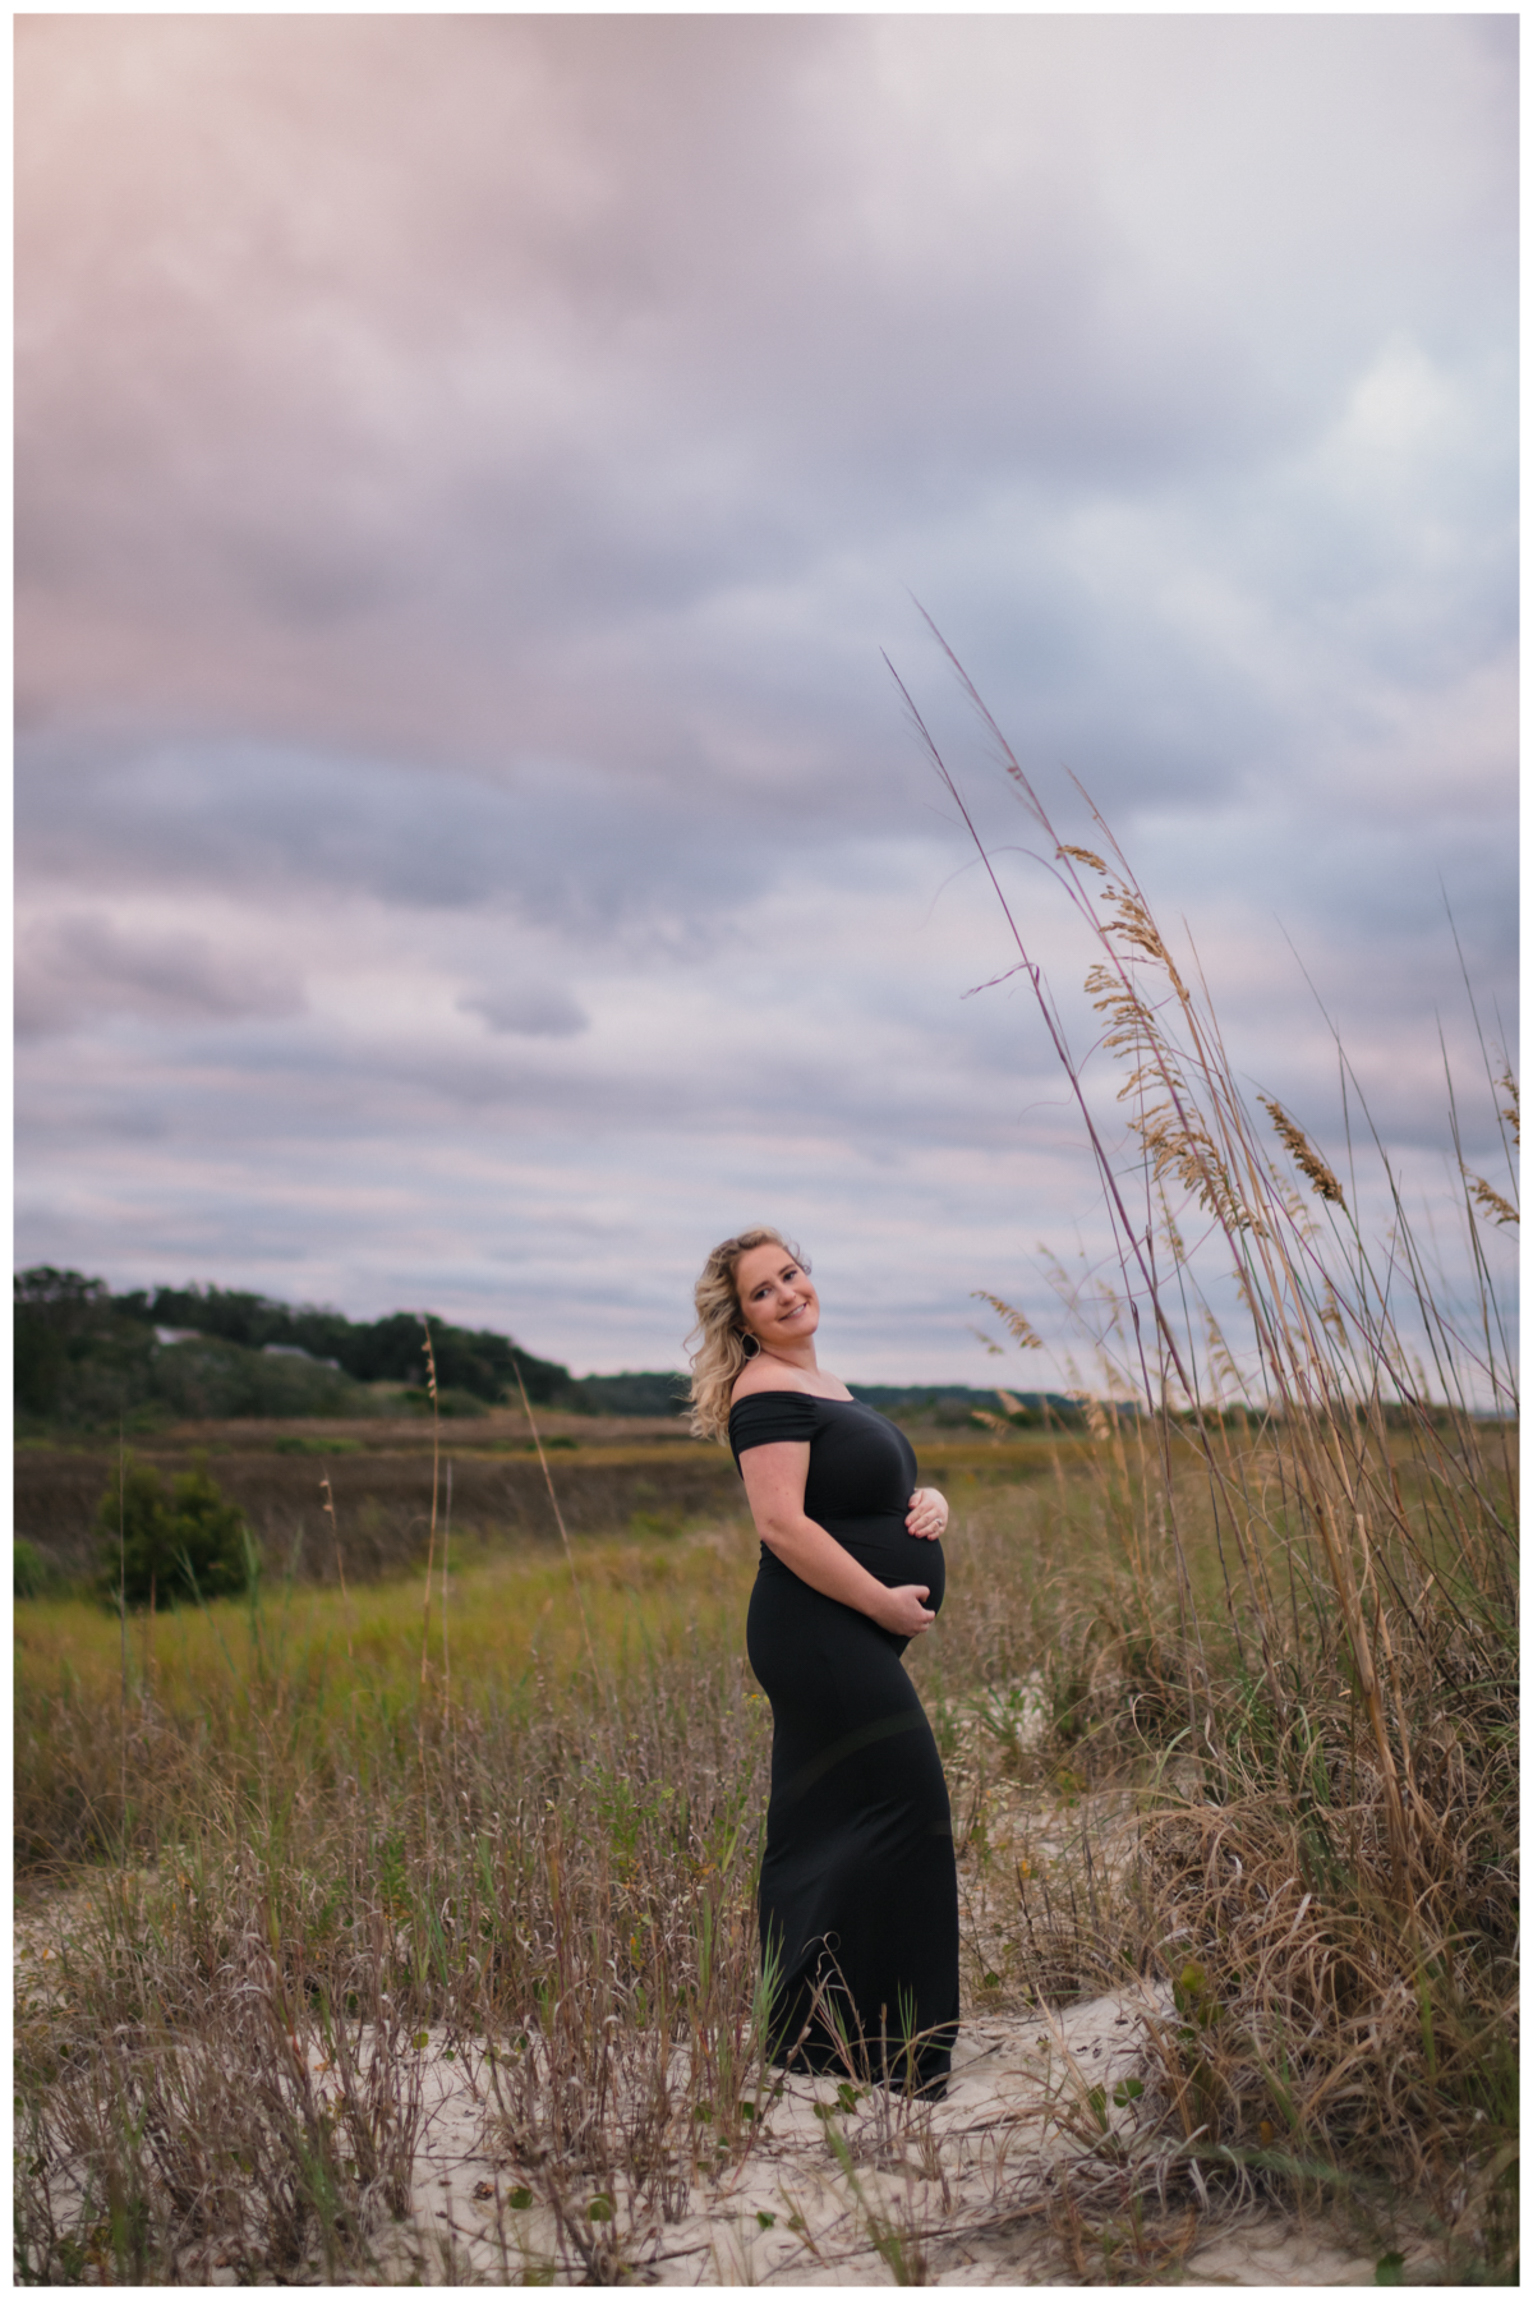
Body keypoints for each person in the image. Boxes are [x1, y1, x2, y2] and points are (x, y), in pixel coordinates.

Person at [687, 1225, 960, 2093]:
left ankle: (816, 2038)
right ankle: (900, 2053)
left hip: (838, 1631)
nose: (786, 1294)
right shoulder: (763, 1391)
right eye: (762, 1292)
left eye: (791, 1274)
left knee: (827, 1823)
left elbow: (855, 1494)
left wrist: (928, 1501)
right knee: (906, 1807)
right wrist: (881, 1600)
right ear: (741, 1319)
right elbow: (781, 1525)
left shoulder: (820, 1383)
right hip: (816, 1632)